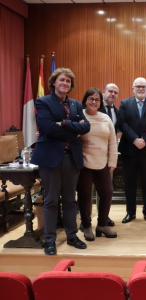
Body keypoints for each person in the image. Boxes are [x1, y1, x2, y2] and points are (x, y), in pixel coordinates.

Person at [31, 68, 90, 255]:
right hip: (50, 158)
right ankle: (49, 240)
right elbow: (48, 128)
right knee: (51, 200)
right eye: (62, 80)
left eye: (68, 81)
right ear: (54, 83)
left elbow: (86, 126)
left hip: (71, 157)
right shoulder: (43, 102)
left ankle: (72, 236)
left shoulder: (75, 104)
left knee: (71, 200)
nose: (65, 83)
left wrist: (63, 123)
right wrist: (74, 130)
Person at [118, 77, 146, 224]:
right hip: (129, 149)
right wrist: (135, 139)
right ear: (133, 88)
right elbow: (122, 123)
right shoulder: (124, 103)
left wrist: (145, 139)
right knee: (129, 183)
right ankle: (130, 212)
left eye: (144, 86)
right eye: (138, 86)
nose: (141, 89)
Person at [76, 88, 118, 241]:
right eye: (91, 99)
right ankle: (87, 226)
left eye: (97, 100)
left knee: (107, 193)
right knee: (85, 195)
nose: (94, 102)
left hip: (103, 163)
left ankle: (102, 224)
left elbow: (112, 142)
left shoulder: (106, 118)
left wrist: (112, 161)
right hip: (84, 163)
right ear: (85, 100)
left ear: (100, 102)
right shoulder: (79, 116)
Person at [96, 83, 120, 228]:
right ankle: (85, 220)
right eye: (110, 91)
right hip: (91, 155)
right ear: (103, 92)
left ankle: (103, 217)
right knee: (89, 190)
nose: (112, 94)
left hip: (107, 157)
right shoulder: (94, 107)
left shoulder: (116, 112)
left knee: (105, 190)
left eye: (115, 92)